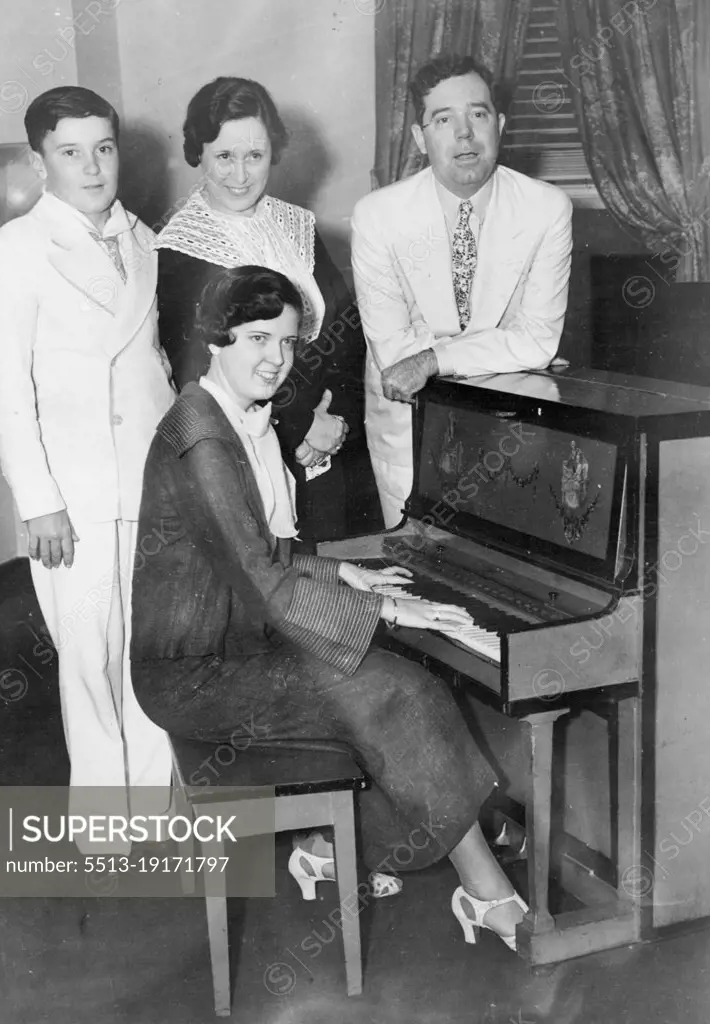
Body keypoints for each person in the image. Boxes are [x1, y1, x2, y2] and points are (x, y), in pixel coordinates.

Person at [130, 265, 529, 948]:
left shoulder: (232, 416)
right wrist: (395, 613)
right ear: (216, 339)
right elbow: (264, 580)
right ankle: (484, 889)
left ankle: (330, 847)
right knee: (398, 691)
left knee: (389, 689)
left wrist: (345, 570)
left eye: (287, 344)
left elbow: (262, 556)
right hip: (193, 672)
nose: (276, 361)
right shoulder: (201, 436)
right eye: (258, 339)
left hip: (238, 641)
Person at [0, 86, 176, 852]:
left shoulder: (141, 237)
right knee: (88, 657)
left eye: (103, 147)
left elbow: (151, 362)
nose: (91, 166)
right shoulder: (19, 248)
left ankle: (153, 816)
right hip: (75, 493)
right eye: (70, 151)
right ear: (39, 161)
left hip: (150, 480)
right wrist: (39, 501)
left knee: (151, 648)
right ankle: (105, 829)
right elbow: (4, 391)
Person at [155, 76, 382, 543]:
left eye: (254, 156)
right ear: (198, 153)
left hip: (331, 439)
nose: (240, 174)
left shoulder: (295, 224)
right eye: (224, 156)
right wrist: (300, 425)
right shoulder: (179, 250)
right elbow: (196, 372)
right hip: (250, 448)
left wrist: (331, 419)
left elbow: (344, 328)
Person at [351, 54, 573, 529]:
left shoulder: (547, 209)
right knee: (422, 574)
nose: (465, 133)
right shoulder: (378, 216)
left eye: (478, 114)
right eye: (443, 119)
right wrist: (505, 352)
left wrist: (433, 360)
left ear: (500, 124)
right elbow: (394, 357)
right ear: (419, 137)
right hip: (410, 435)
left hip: (511, 435)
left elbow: (537, 340)